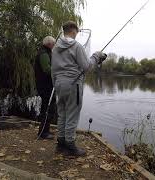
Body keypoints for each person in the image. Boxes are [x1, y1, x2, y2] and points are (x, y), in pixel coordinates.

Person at [51, 21, 107, 156]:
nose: (77, 34)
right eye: (77, 31)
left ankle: (61, 144)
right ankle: (70, 146)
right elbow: (87, 66)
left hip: (59, 84)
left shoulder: (55, 48)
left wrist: (55, 84)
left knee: (62, 114)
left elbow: (53, 69)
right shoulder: (76, 46)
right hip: (73, 85)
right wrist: (96, 56)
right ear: (74, 30)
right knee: (72, 115)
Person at [34, 36, 56, 140]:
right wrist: (58, 70)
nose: (54, 46)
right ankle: (43, 133)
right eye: (53, 44)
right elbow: (47, 69)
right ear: (49, 44)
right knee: (47, 108)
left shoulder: (46, 52)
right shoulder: (43, 53)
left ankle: (45, 130)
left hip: (46, 86)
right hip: (45, 86)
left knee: (49, 108)